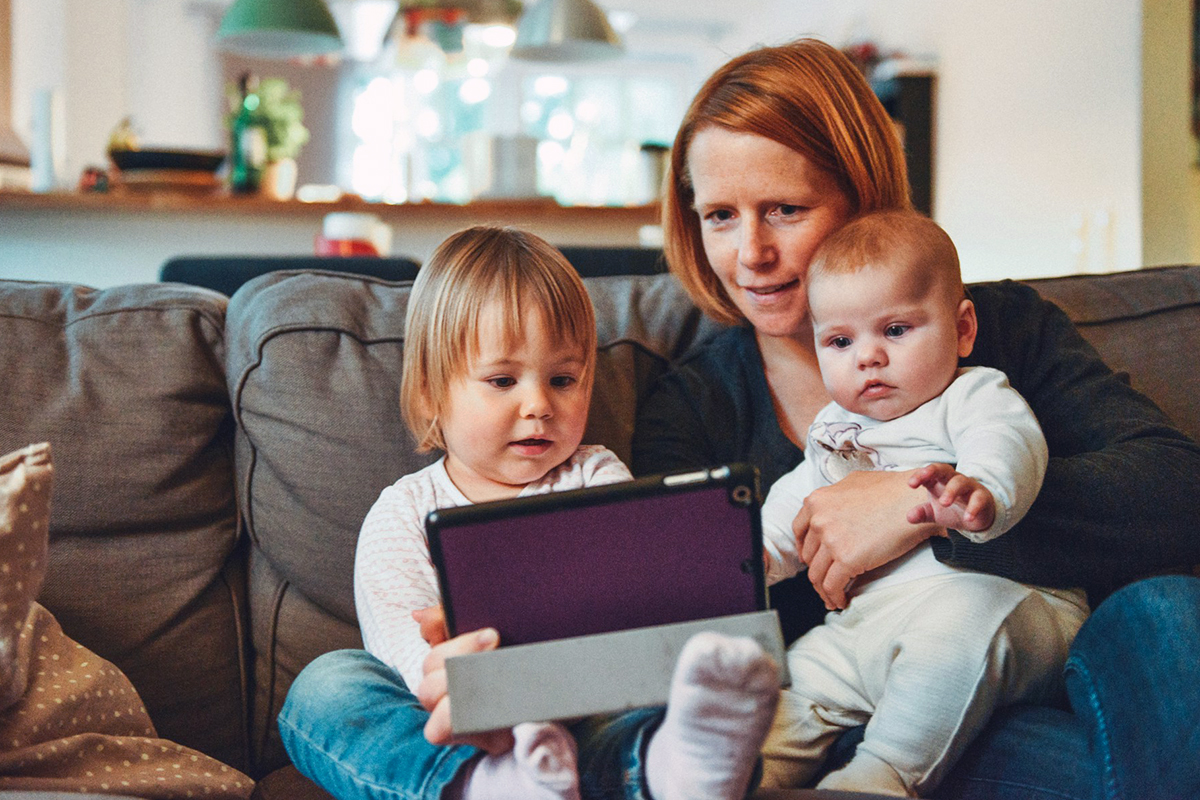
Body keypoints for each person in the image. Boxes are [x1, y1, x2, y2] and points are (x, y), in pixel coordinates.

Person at [634, 37, 1200, 798]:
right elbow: (683, 613)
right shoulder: (693, 404)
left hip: (1029, 680)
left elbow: (1176, 493)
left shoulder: (998, 330)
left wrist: (921, 505)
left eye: (785, 210)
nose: (751, 254)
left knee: (1169, 610)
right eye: (720, 217)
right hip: (842, 716)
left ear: (861, 196)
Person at [278, 226, 782, 800]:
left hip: (588, 711)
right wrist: (474, 690)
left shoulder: (596, 476)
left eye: (563, 379)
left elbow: (637, 600)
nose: (540, 405)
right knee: (326, 687)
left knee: (677, 698)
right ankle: (487, 785)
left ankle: (673, 770)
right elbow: (404, 655)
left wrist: (707, 570)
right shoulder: (403, 512)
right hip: (464, 727)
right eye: (502, 381)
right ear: (429, 395)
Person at [756, 210, 1088, 796]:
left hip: (1000, 606)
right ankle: (743, 774)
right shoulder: (836, 426)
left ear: (962, 329)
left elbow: (1008, 442)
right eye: (840, 341)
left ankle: (879, 776)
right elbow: (799, 497)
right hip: (866, 625)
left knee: (951, 635)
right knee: (796, 677)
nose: (868, 357)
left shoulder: (971, 393)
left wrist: (981, 490)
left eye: (896, 330)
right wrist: (755, 554)